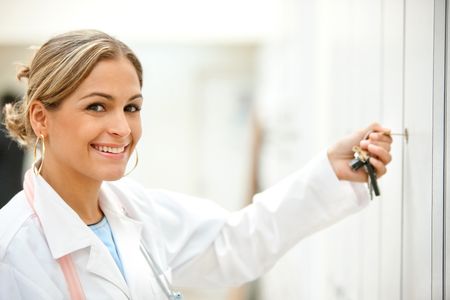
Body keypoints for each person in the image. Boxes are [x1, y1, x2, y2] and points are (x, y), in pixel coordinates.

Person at [0, 30, 392, 300]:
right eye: (97, 106)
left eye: (131, 107)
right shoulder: (13, 249)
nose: (121, 128)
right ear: (40, 118)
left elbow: (235, 241)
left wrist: (328, 171)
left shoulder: (134, 209)